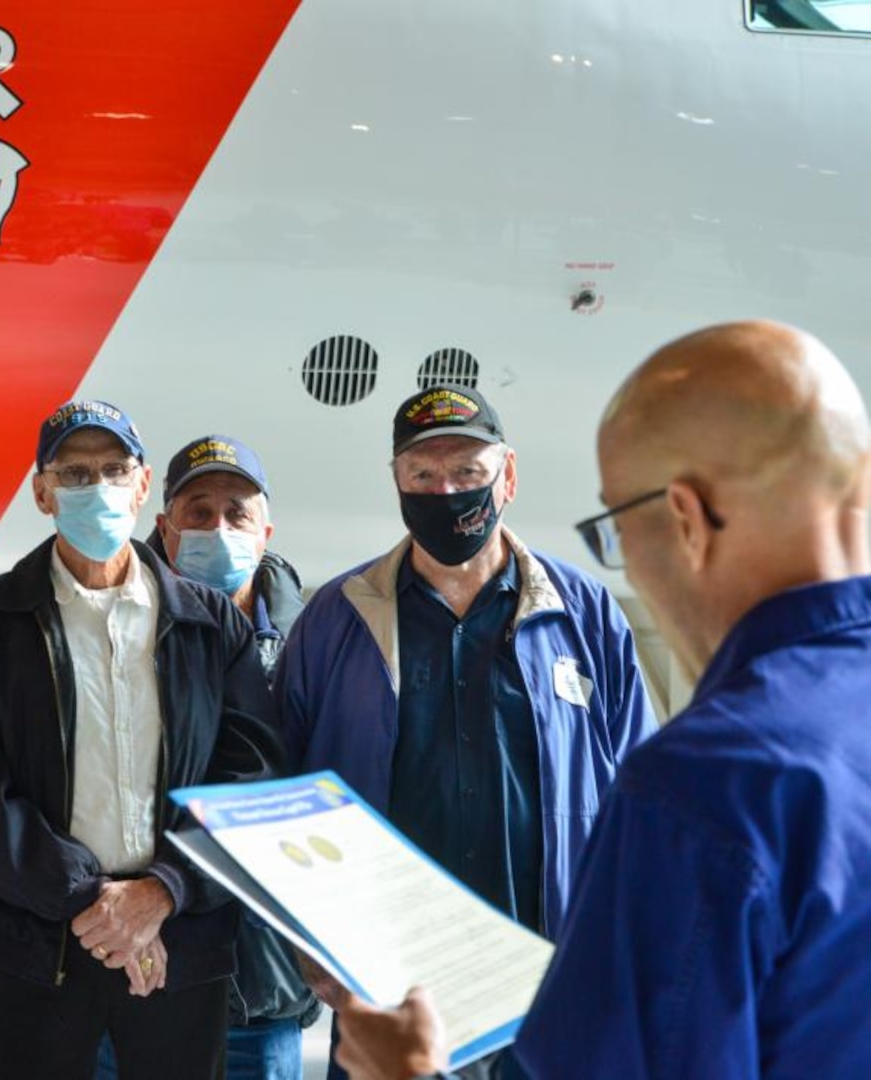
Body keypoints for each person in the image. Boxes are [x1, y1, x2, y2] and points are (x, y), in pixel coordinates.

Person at [335, 321, 871, 1078]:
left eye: (617, 530)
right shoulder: (337, 618)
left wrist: (409, 1073)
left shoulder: (708, 786)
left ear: (684, 518)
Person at [278, 384, 656, 1078]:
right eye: (421, 475)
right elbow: (282, 786)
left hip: (550, 975)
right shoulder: (337, 617)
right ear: (395, 482)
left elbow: (641, 788)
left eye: (467, 474)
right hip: (388, 982)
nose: (444, 491)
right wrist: (307, 937)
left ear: (507, 476)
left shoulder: (583, 613)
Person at [0, 400, 284, 1080]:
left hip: (179, 948)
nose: (96, 488)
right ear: (41, 491)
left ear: (142, 483)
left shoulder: (210, 625)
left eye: (113, 470)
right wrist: (94, 906)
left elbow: (251, 782)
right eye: (73, 474)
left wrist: (162, 893)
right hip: (34, 952)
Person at [95, 434, 317, 1080]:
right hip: (137, 974)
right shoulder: (108, 629)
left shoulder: (314, 642)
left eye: (235, 513)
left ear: (265, 532)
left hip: (262, 992)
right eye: (198, 512)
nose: (217, 528)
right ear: (163, 529)